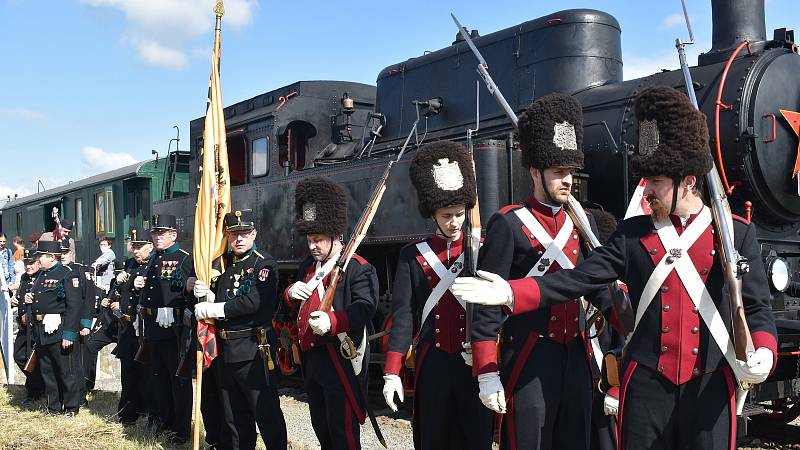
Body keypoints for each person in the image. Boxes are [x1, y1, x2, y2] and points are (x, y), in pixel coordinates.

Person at [453, 86, 778, 450]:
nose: (647, 189)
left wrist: (764, 350)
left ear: (687, 181)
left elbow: (756, 309)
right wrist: (512, 292)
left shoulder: (735, 234)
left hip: (710, 387)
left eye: (656, 181)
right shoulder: (631, 235)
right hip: (645, 390)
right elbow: (579, 280)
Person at [464, 93, 605, 450]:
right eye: (559, 172)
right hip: (528, 355)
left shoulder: (583, 222)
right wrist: (487, 371)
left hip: (577, 355)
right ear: (535, 171)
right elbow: (485, 304)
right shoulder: (508, 224)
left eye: (570, 172)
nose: (568, 180)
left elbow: (598, 285)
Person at [381, 141, 493, 449]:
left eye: (459, 214)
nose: (454, 222)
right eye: (446, 215)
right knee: (433, 438)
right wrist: (392, 371)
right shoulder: (412, 256)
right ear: (433, 213)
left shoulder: (483, 250)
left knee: (477, 438)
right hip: (434, 364)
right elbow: (404, 316)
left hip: (474, 361)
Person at [281, 177, 378, 450]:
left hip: (340, 360)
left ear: (336, 236)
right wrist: (290, 294)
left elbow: (365, 307)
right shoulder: (307, 269)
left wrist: (334, 321)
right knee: (322, 428)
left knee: (343, 434)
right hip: (313, 363)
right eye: (310, 239)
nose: (312, 246)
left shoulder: (358, 267)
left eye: (318, 239)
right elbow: (288, 309)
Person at [192, 209, 288, 450]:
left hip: (253, 350)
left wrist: (215, 309)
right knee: (234, 418)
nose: (239, 239)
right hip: (225, 350)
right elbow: (223, 292)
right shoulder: (223, 265)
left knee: (266, 414)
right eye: (234, 234)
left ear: (253, 233)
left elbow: (254, 302)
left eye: (244, 233)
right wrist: (203, 291)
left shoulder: (263, 263)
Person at [135, 214, 193, 444]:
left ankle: (180, 430)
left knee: (177, 380)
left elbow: (190, 294)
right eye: (155, 233)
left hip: (173, 330)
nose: (157, 237)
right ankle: (162, 420)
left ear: (173, 235)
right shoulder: (152, 259)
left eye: (162, 233)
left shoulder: (184, 258)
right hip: (151, 327)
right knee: (157, 377)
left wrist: (179, 307)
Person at [29, 239, 83, 416]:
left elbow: (74, 306)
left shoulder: (66, 273)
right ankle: (54, 407)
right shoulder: (41, 275)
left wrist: (69, 333)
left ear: (51, 257)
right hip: (42, 330)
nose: (37, 259)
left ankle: (71, 407)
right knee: (48, 371)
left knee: (65, 371)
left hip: (58, 330)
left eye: (40, 256)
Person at [112, 229, 150, 425]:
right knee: (128, 373)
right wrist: (118, 285)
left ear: (149, 247)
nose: (136, 251)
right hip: (127, 325)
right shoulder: (129, 264)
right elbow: (118, 291)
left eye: (140, 247)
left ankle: (146, 410)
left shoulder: (153, 264)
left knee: (145, 373)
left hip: (143, 326)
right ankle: (127, 414)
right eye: (134, 246)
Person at [12, 248, 44, 404]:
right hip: (23, 326)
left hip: (36, 326)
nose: (28, 267)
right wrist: (15, 300)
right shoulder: (24, 277)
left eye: (31, 263)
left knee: (33, 358)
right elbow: (20, 296)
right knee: (18, 355)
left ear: (38, 262)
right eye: (26, 263)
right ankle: (37, 384)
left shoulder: (43, 277)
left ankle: (34, 391)